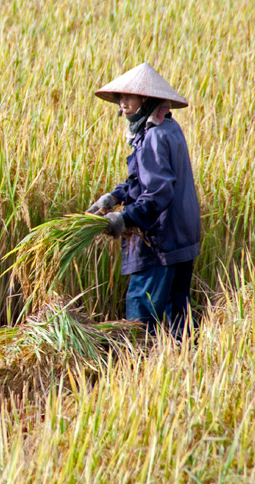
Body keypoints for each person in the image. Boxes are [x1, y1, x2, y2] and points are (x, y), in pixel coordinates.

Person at [86, 63, 201, 339]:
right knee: (179, 319)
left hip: (160, 243)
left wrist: (124, 218)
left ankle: (137, 370)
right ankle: (186, 369)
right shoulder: (169, 129)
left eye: (129, 97)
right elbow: (144, 181)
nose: (122, 104)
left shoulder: (153, 136)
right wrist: (114, 197)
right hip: (182, 239)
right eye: (119, 98)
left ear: (146, 99)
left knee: (140, 317)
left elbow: (158, 192)